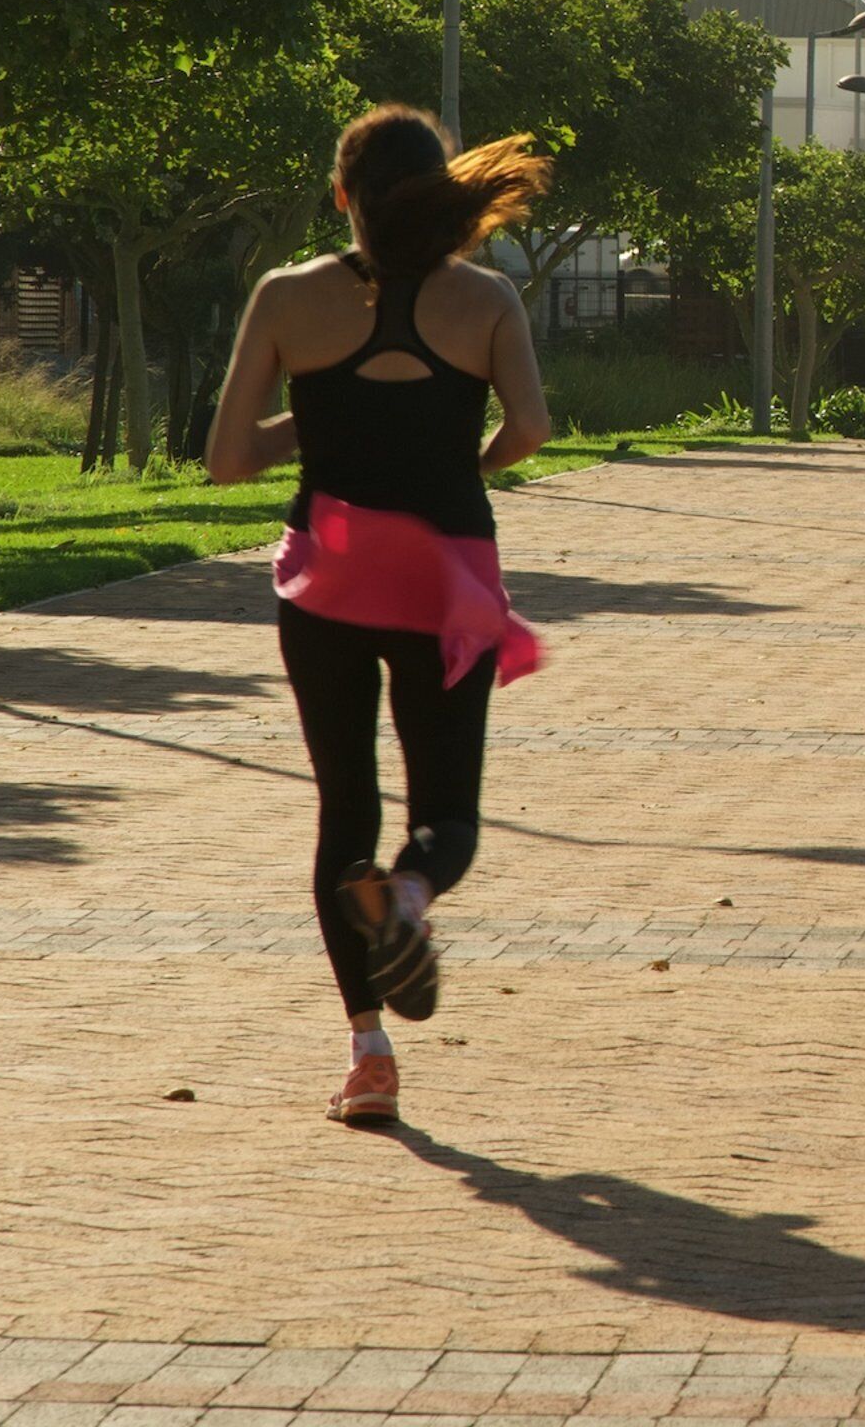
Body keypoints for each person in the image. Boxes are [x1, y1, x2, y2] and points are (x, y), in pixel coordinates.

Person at [207, 105, 554, 1128]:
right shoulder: (483, 300)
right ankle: (409, 900)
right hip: (445, 582)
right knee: (444, 814)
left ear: (341, 196)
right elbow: (530, 426)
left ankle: (368, 1056)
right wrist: (463, 464)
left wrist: (314, 415)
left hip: (329, 577)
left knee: (342, 814)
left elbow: (229, 458)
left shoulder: (286, 298)